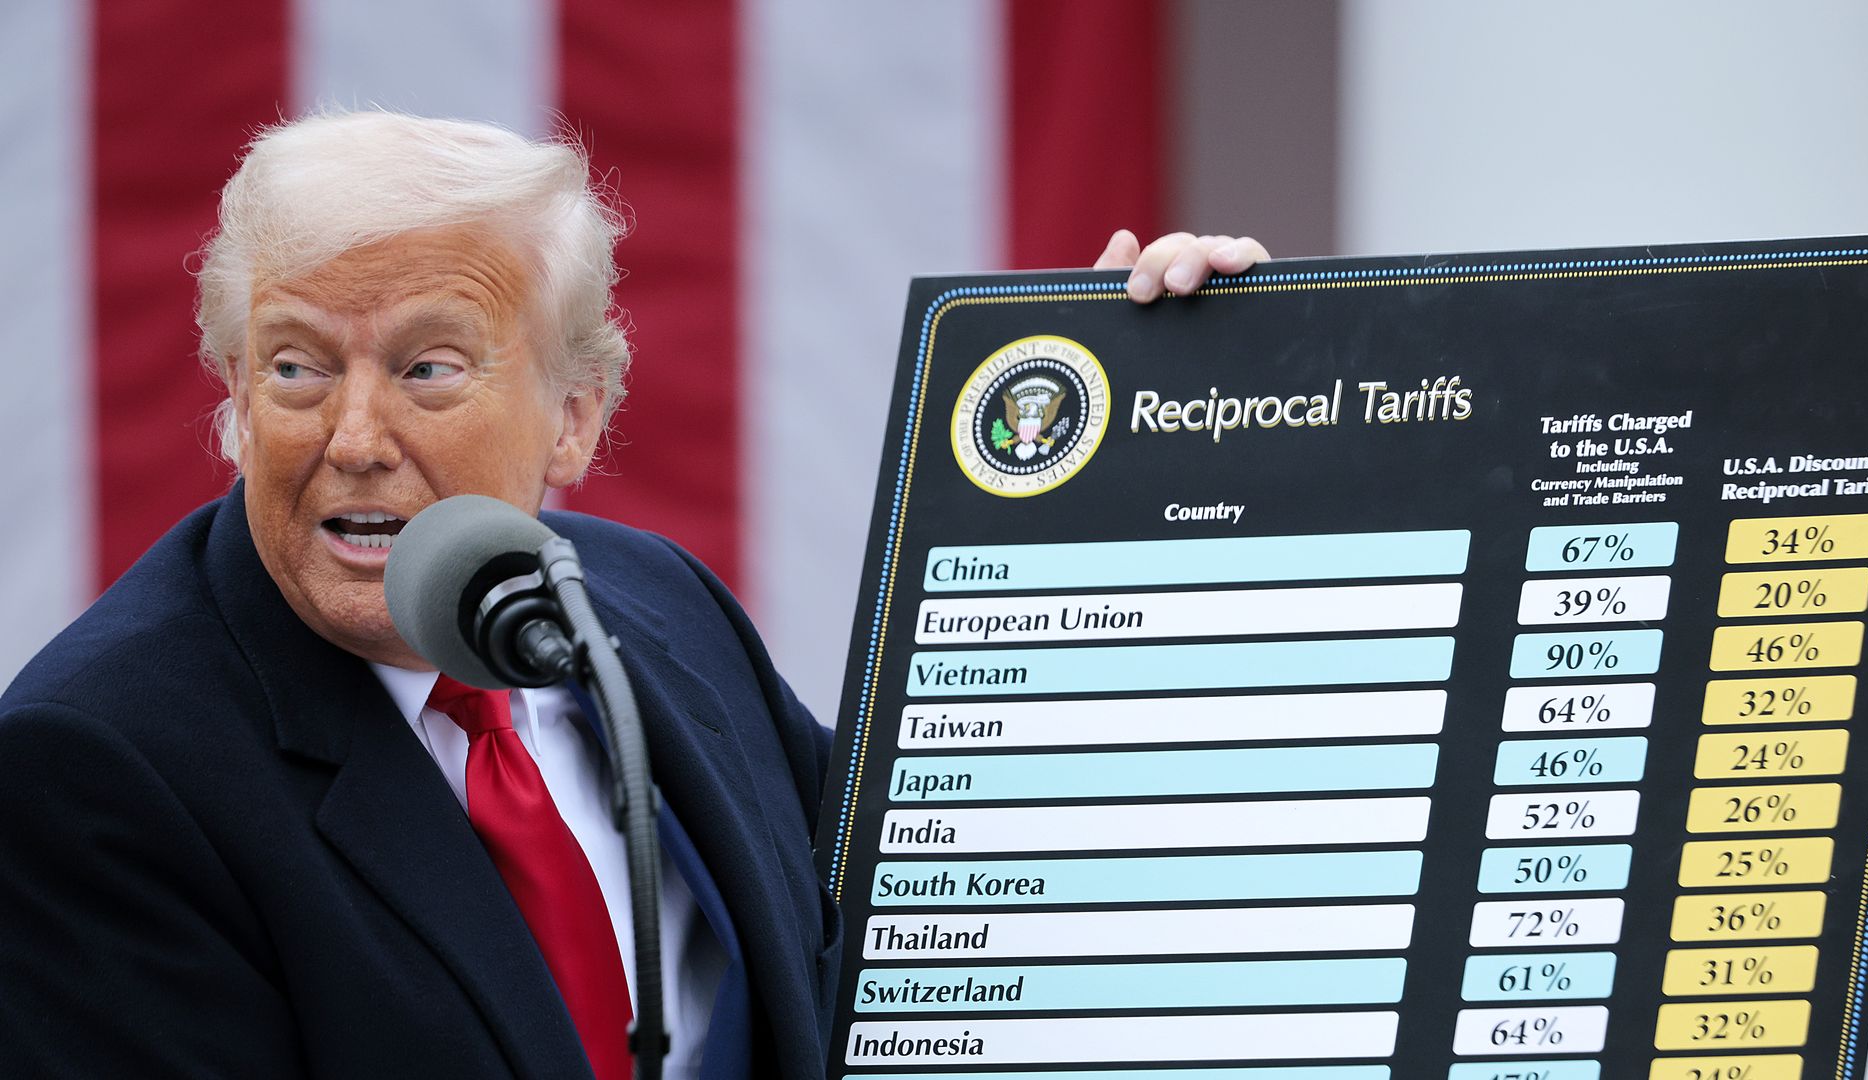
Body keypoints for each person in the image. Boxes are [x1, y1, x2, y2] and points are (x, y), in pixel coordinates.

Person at [0, 111, 1269, 1079]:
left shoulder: (651, 605)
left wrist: (1170, 435)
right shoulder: (97, 765)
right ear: (232, 401)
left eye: (429, 367)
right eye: (294, 368)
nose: (355, 436)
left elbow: (958, 900)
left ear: (574, 419)